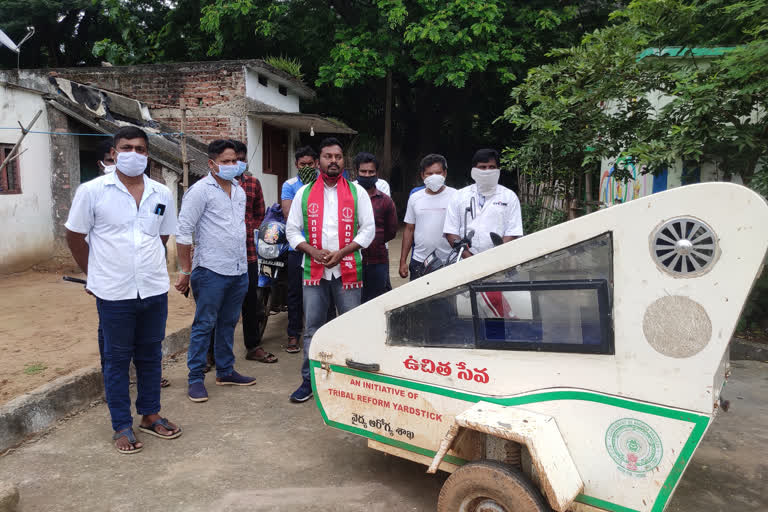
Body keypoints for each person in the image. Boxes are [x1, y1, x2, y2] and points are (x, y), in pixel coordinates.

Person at [65, 126, 182, 454]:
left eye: (141, 149)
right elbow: (75, 236)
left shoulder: (161, 193)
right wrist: (94, 275)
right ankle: (121, 425)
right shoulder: (93, 191)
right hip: (113, 293)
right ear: (114, 154)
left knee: (150, 355)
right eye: (127, 148)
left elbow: (162, 236)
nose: (134, 154)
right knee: (116, 359)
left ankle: (150, 414)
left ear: (148, 154)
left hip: (153, 289)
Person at [286, 137, 375, 402]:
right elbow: (291, 230)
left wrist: (344, 252)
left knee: (349, 327)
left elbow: (368, 229)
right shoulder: (304, 193)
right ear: (318, 161)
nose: (333, 161)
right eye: (327, 156)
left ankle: (350, 382)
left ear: (343, 160)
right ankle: (309, 381)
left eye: (337, 156)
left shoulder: (357, 192)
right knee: (312, 327)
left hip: (347, 269)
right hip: (313, 270)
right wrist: (312, 251)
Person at [175, 139, 256, 403]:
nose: (232, 165)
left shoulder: (239, 190)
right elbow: (184, 231)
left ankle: (225, 370)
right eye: (226, 161)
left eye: (235, 161)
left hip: (238, 268)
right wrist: (185, 270)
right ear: (212, 164)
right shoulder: (200, 191)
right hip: (210, 270)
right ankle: (195, 378)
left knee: (229, 323)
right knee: (204, 324)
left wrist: (243, 266)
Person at [231, 140, 275, 363]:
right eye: (231, 159)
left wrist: (247, 231)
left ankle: (253, 345)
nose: (236, 163)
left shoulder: (253, 184)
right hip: (221, 258)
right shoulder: (208, 185)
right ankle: (210, 354)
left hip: (248, 253)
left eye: (240, 158)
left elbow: (259, 214)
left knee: (250, 302)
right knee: (217, 306)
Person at [443, 148, 523, 257]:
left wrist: (494, 258)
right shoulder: (459, 196)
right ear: (474, 170)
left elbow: (513, 232)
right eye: (482, 167)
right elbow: (450, 231)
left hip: (500, 259)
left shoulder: (509, 197)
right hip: (465, 260)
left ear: (498, 170)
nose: (487, 171)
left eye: (492, 167)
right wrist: (470, 259)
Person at [280, 146, 319, 354]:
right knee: (295, 291)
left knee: (322, 291)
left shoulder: (324, 183)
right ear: (296, 165)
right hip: (298, 246)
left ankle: (320, 334)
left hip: (322, 247)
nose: (306, 167)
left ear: (317, 164)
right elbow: (288, 215)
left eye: (310, 164)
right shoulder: (290, 185)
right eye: (302, 164)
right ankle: (293, 334)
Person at [399, 154, 456, 280]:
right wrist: (403, 261)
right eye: (429, 174)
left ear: (445, 173)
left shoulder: (456, 196)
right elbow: (409, 229)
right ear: (422, 175)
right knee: (419, 299)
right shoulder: (415, 198)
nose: (434, 177)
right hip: (420, 261)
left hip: (449, 260)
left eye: (438, 173)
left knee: (447, 299)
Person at [354, 152, 397, 302]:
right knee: (354, 305)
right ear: (356, 172)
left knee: (376, 303)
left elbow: (391, 232)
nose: (367, 175)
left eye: (371, 172)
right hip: (352, 261)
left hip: (378, 260)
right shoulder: (348, 198)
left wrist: (373, 240)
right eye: (363, 172)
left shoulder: (386, 201)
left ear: (377, 174)